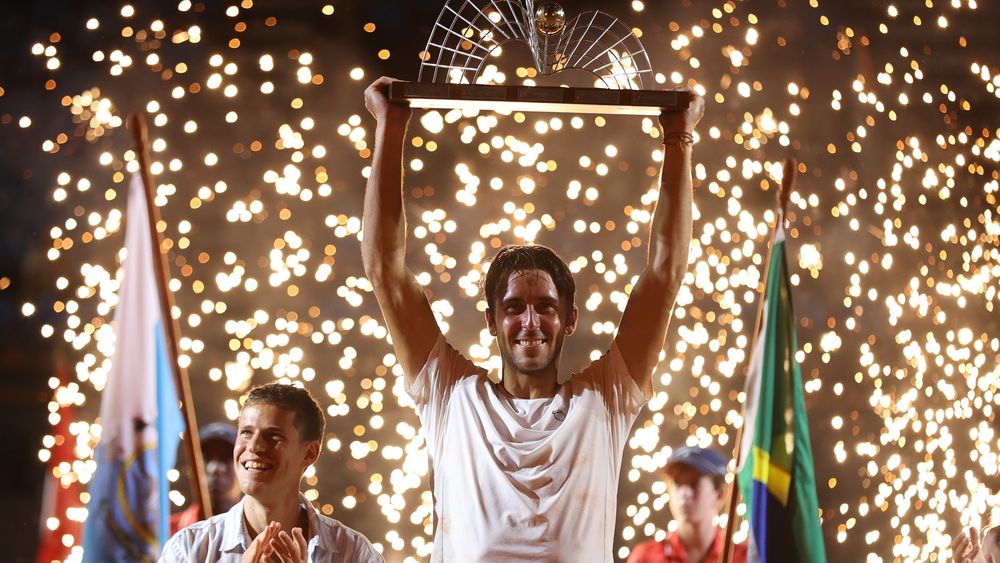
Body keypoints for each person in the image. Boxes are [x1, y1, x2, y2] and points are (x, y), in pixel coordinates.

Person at [362, 76, 704, 561]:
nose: (529, 321)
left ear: (570, 320)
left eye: (545, 306)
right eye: (513, 307)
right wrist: (390, 125)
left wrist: (679, 138)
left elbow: (664, 274)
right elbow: (385, 272)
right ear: (490, 321)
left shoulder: (604, 398)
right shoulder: (451, 395)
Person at [160, 383, 383, 562]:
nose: (254, 447)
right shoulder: (188, 549)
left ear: (309, 453)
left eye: (273, 436)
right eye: (246, 433)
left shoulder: (354, 554)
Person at [627, 446, 747, 563]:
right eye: (678, 484)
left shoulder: (744, 557)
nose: (685, 493)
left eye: (694, 484)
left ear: (719, 495)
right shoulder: (645, 558)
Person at [171, 422, 243, 533]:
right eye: (206, 459)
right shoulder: (167, 533)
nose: (214, 468)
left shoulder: (262, 535)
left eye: (226, 458)